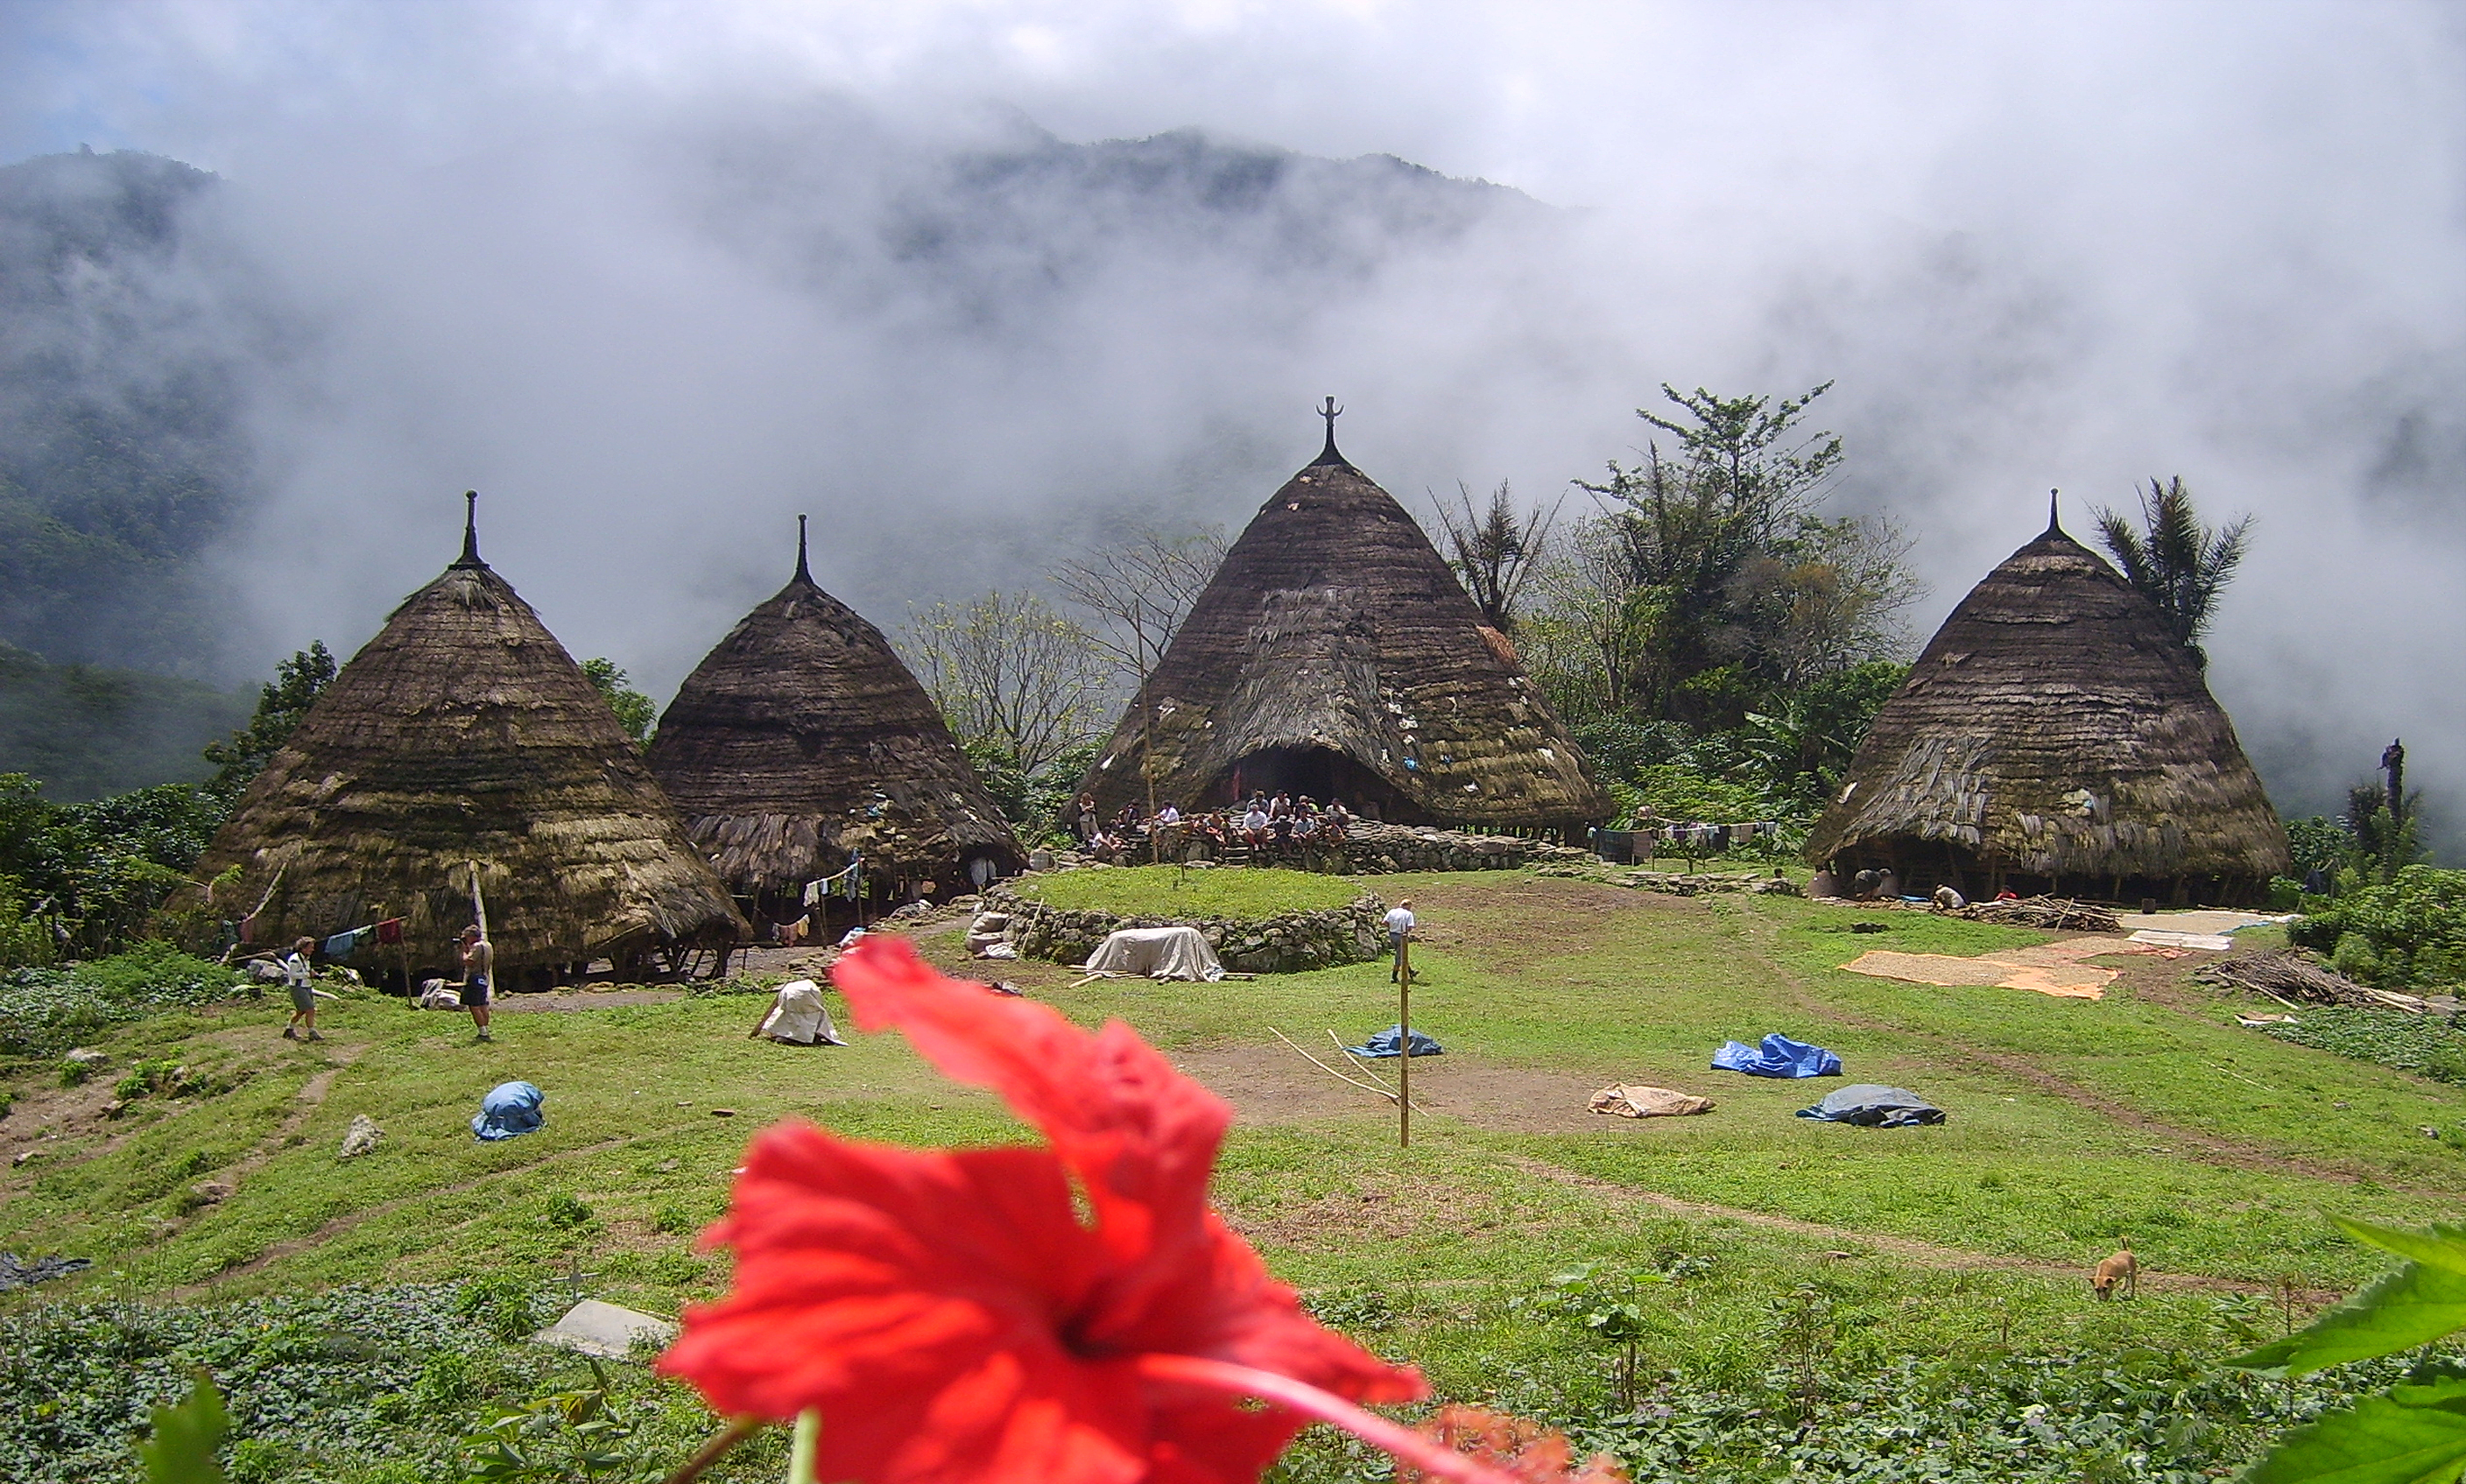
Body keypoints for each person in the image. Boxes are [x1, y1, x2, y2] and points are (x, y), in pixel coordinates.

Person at [280, 936, 321, 1042]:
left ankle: (289, 1030)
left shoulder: (306, 959)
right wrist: (307, 974)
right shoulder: (295, 960)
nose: (312, 949)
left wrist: (315, 975)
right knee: (310, 1009)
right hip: (298, 987)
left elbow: (306, 970)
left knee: (301, 1011)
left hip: (307, 986)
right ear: (303, 948)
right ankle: (312, 1032)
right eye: (310, 947)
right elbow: (292, 974)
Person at [459, 925, 495, 1042]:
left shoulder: (476, 947)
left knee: (474, 1005)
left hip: (474, 977)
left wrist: (465, 952)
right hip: (484, 976)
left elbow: (469, 961)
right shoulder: (488, 945)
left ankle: (482, 1032)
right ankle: (485, 1028)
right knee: (482, 1003)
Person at [1384, 897, 1415, 982]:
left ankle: (1411, 971)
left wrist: (1391, 927)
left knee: (1401, 954)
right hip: (1402, 936)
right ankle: (1394, 976)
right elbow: (1410, 926)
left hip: (1392, 934)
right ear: (1408, 906)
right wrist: (1405, 931)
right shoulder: (1408, 914)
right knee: (1400, 956)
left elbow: (1384, 922)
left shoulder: (1392, 911)